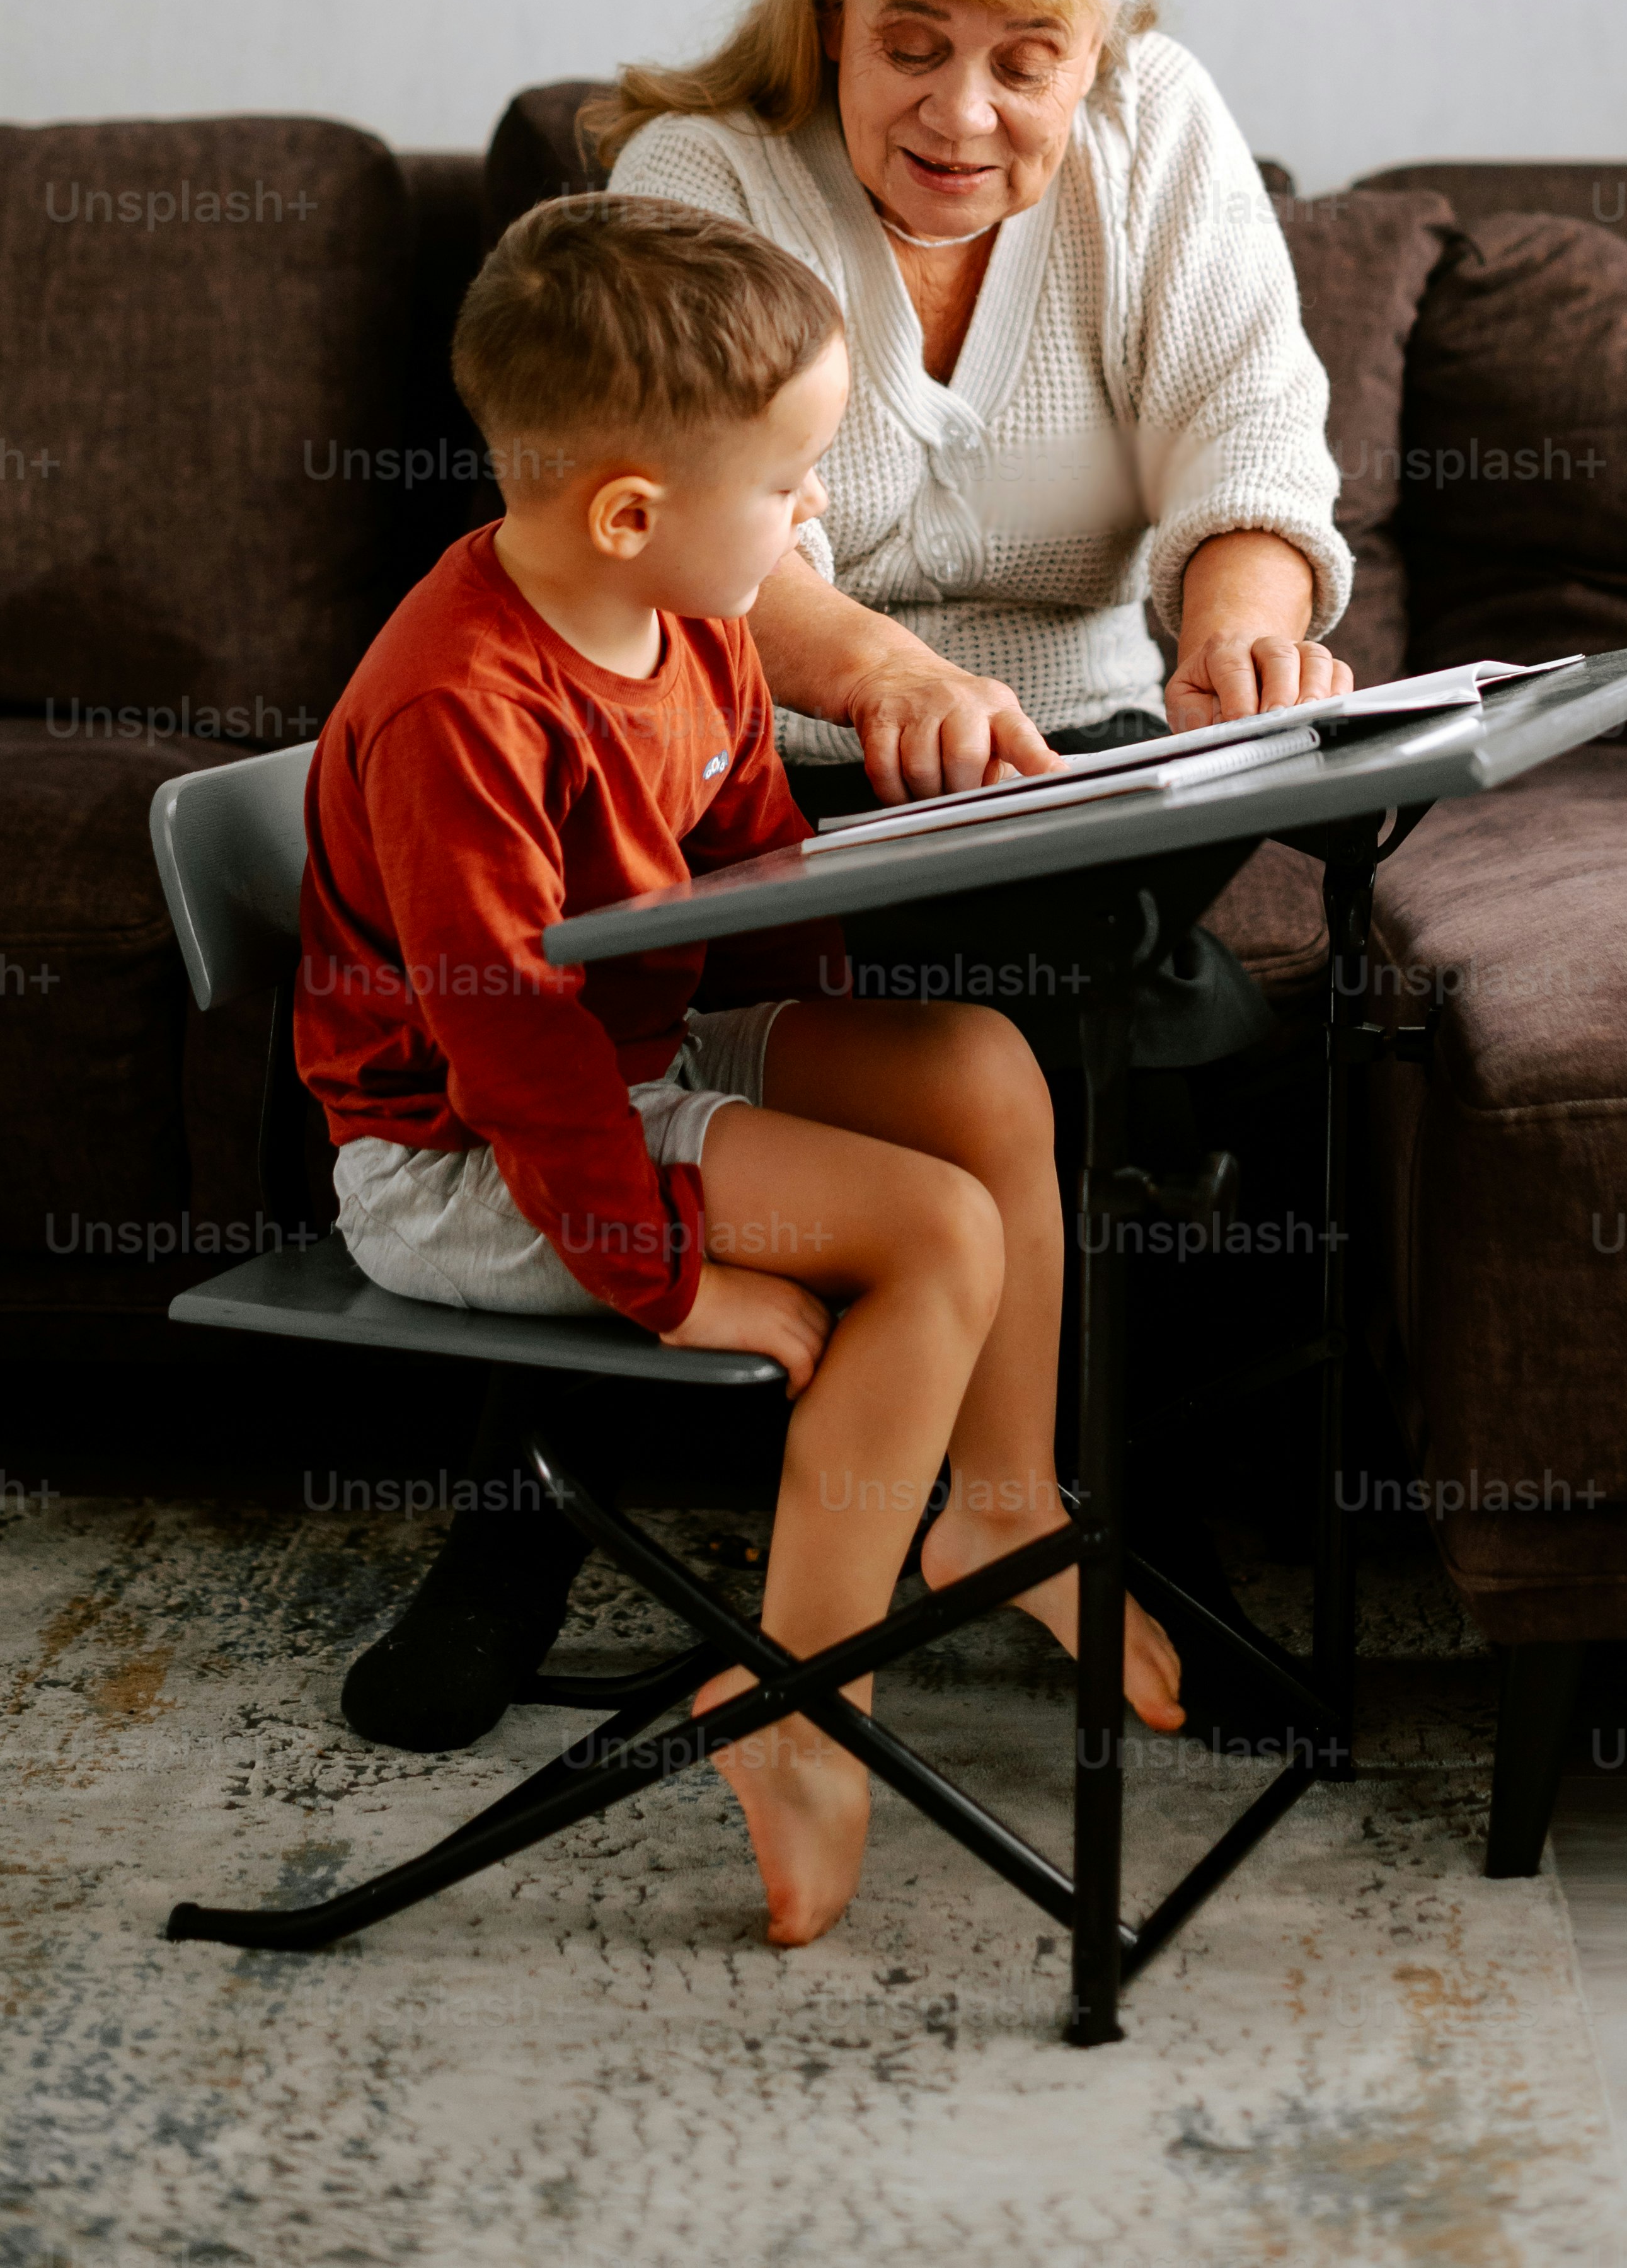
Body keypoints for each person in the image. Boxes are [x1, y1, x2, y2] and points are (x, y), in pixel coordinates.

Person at [296, 192, 1181, 1945]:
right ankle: (795, 1699)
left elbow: (756, 868)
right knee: (932, 1232)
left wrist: (825, 1060)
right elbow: (508, 1044)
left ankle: (1001, 1507)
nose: (816, 519)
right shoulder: (459, 707)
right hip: (469, 1147)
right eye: (789, 488)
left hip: (628, 1046)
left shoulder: (687, 613)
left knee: (986, 1069)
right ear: (632, 511)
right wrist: (664, 1275)